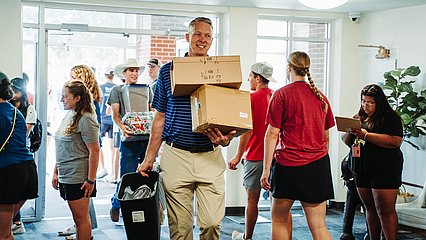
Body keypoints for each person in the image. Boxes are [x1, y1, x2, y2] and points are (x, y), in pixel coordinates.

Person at [137, 17, 235, 240]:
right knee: (180, 230)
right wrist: (149, 158)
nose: (203, 39)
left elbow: (229, 115)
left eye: (208, 35)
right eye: (198, 34)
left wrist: (227, 139)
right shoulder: (168, 71)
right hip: (176, 155)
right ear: (187, 37)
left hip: (209, 156)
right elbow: (160, 117)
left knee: (211, 223)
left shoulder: (219, 73)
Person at [260, 51, 335, 239]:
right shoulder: (321, 98)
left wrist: (266, 170)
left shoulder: (281, 95)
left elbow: (272, 135)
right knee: (319, 227)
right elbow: (326, 138)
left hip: (288, 166)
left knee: (279, 220)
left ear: (289, 69)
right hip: (317, 166)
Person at [342, 84, 403, 240]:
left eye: (370, 102)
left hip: (384, 168)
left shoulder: (389, 117)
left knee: (385, 210)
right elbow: (347, 141)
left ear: (379, 102)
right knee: (369, 208)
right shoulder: (360, 116)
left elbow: (395, 141)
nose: (365, 105)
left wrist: (366, 135)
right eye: (363, 101)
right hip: (361, 168)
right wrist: (351, 130)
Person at [228, 62, 276, 240]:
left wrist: (237, 156)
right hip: (275, 157)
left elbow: (247, 131)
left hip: (255, 156)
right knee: (276, 201)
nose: (248, 79)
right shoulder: (276, 96)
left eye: (250, 76)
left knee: (252, 200)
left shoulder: (251, 98)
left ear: (257, 78)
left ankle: (247, 237)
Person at [52, 80, 100, 240]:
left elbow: (95, 151)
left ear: (77, 98)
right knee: (78, 220)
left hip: (78, 177)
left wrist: (90, 180)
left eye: (65, 97)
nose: (62, 100)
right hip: (67, 174)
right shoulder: (70, 115)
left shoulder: (86, 119)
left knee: (82, 220)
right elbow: (62, 148)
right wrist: (56, 172)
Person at [107, 58, 150, 222]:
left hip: (146, 140)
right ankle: (117, 204)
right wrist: (122, 126)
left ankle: (140, 209)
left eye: (136, 70)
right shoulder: (117, 90)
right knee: (127, 175)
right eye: (131, 70)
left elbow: (152, 110)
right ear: (124, 73)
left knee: (146, 175)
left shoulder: (146, 89)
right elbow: (115, 113)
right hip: (129, 141)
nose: (134, 73)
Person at [0, 71, 38, 240]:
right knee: (5, 231)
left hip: (9, 172)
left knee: (3, 234)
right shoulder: (15, 112)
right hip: (27, 171)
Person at [99, 67, 117, 181]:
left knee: (98, 145)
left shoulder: (101, 87)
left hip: (102, 119)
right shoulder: (116, 88)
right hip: (112, 120)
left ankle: (103, 168)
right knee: (112, 148)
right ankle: (112, 172)